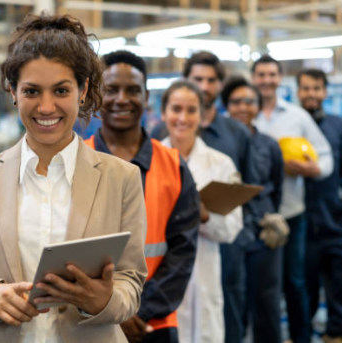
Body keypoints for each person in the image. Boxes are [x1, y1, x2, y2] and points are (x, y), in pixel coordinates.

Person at [0, 13, 148, 343]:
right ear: (13, 92)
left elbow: (131, 280)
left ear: (83, 90)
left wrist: (104, 301)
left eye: (61, 90)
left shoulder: (121, 178)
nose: (46, 107)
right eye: (32, 91)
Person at [85, 50, 200, 343]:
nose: (122, 99)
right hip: (87, 321)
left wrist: (137, 310)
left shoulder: (174, 166)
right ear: (95, 95)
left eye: (133, 90)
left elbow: (182, 252)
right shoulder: (74, 162)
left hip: (152, 324)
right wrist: (110, 310)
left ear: (146, 96)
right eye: (111, 89)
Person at [251, 54, 334, 343]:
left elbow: (325, 156)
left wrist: (314, 169)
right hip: (255, 215)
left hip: (291, 212)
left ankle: (302, 337)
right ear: (253, 78)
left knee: (295, 281)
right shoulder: (244, 114)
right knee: (261, 285)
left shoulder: (298, 117)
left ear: (279, 78)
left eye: (271, 74)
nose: (266, 80)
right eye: (261, 74)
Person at [159, 79, 243, 343]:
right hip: (160, 278)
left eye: (192, 110)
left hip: (205, 274)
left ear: (203, 115)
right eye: (176, 109)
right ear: (164, 113)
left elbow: (231, 230)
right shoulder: (148, 161)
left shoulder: (220, 164)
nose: (183, 118)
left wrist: (203, 214)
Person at [297, 68, 342, 343]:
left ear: (324, 92)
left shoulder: (338, 126)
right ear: (298, 91)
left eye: (316, 88)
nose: (311, 94)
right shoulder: (292, 125)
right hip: (302, 223)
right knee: (302, 284)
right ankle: (302, 333)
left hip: (335, 222)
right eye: (306, 88)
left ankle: (338, 333)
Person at [221, 75, 287, 343]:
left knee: (267, 300)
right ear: (226, 105)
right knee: (231, 301)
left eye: (250, 101)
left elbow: (277, 185)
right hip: (228, 233)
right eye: (236, 101)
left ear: (258, 107)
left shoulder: (270, 145)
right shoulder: (219, 142)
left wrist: (270, 215)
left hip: (262, 233)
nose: (243, 107)